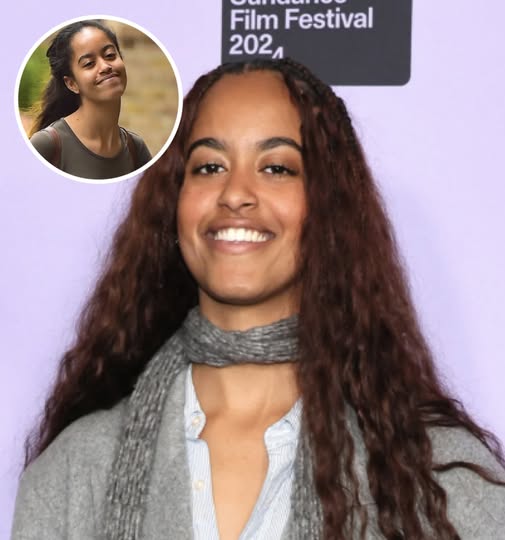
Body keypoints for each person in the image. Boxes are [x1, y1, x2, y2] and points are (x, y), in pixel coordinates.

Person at [11, 59, 505, 539]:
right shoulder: (73, 472)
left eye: (276, 168)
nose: (235, 193)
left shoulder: (438, 478)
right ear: (174, 202)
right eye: (209, 166)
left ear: (329, 205)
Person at [28, 20, 151, 180]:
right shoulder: (47, 145)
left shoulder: (136, 148)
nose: (105, 66)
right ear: (72, 84)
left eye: (110, 55)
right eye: (89, 64)